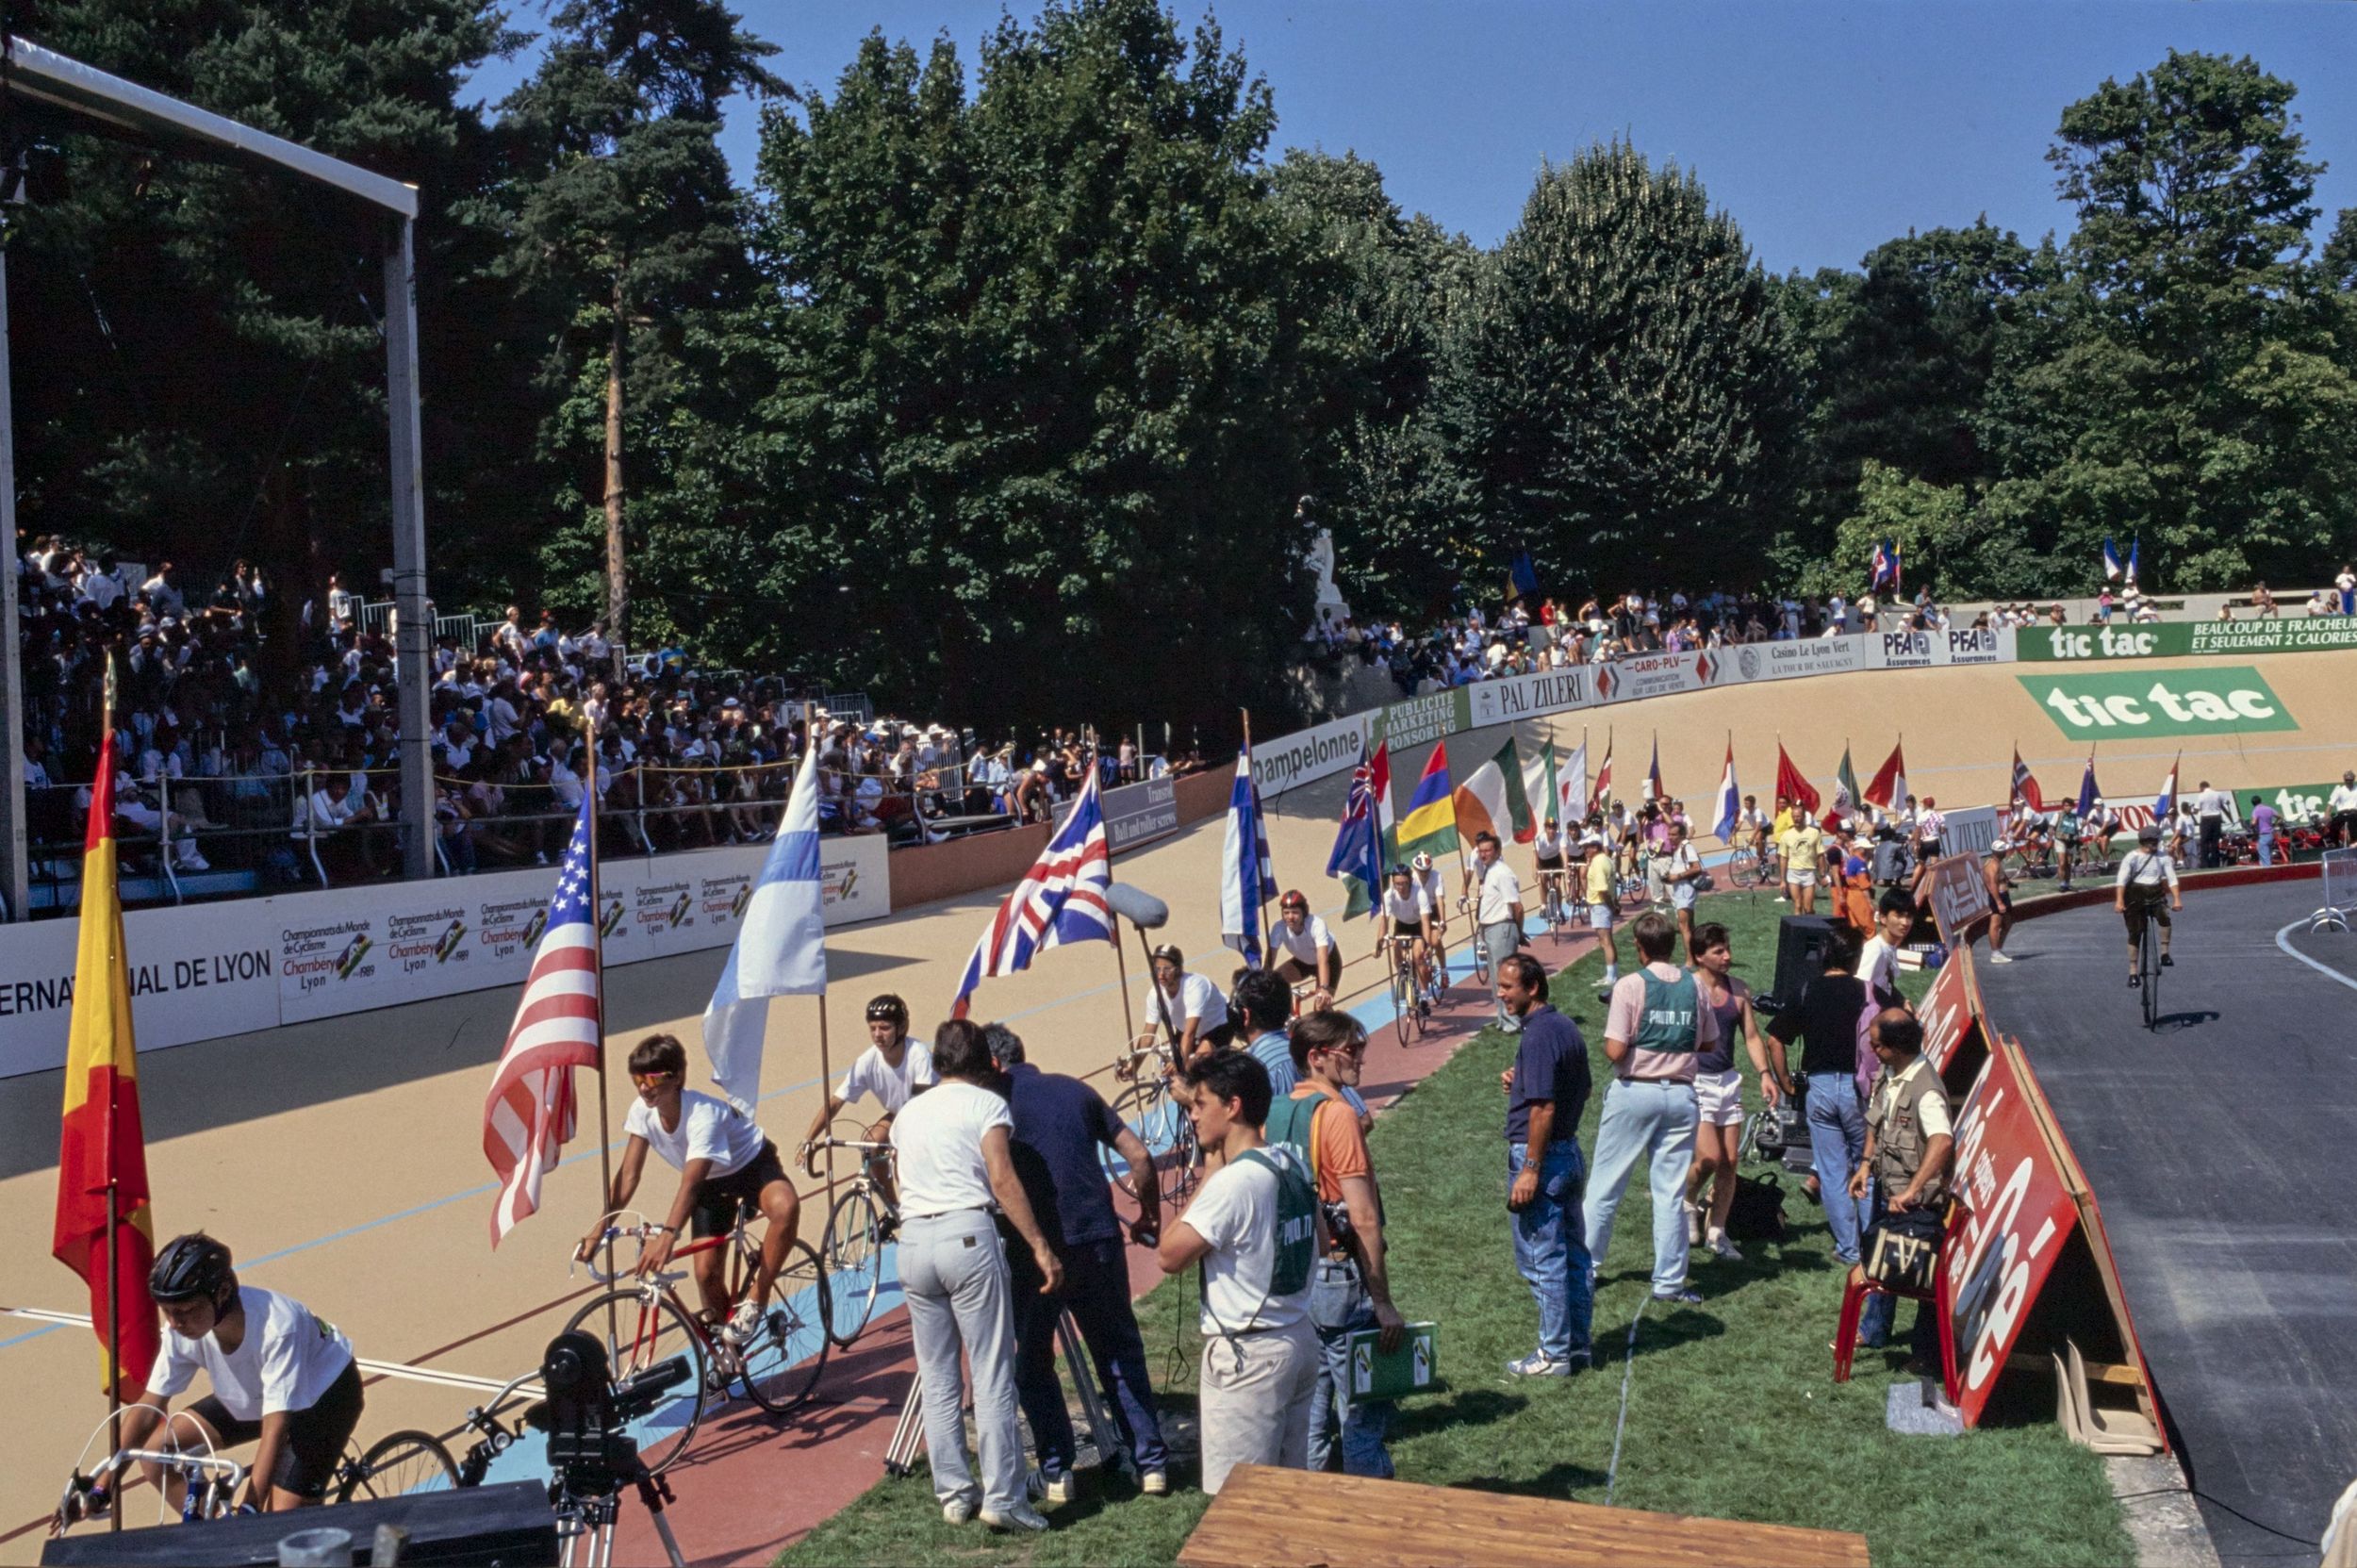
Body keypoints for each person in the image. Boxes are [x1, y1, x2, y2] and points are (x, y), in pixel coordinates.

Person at [981, 1024, 1170, 1502]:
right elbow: (1139, 1155)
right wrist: (1148, 1214)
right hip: (1098, 1240)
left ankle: (1056, 1468)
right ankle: (1151, 1464)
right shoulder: (1075, 1089)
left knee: (1034, 1362)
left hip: (1036, 1252)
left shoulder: (992, 1108)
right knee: (1118, 1351)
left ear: (994, 1066)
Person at [892, 1019, 1062, 1531]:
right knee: (990, 1372)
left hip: (914, 1240)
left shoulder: (908, 1112)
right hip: (967, 1232)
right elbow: (1001, 1177)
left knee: (939, 1373)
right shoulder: (987, 1105)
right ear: (985, 1062)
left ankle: (953, 1492)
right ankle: (1003, 1497)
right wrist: (1038, 1245)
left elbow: (897, 1176)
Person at [1157, 1050, 1322, 1494]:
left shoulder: (1233, 1183)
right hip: (1297, 1338)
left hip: (1249, 1355)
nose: (1192, 1115)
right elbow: (1320, 1242)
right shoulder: (1292, 1165)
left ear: (1233, 1107)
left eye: (1200, 1103)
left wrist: (1211, 1171)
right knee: (1289, 1495)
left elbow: (1169, 1255)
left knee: (1239, 1504)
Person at [119, 1234, 363, 1514]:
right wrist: (103, 1483)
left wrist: (251, 1504)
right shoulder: (182, 1328)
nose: (175, 1324)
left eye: (185, 1311)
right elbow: (150, 1407)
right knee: (155, 1455)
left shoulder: (279, 1327)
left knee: (280, 1525)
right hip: (259, 1392)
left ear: (221, 1294)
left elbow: (275, 1427)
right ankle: (217, 1536)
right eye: (167, 1312)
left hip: (323, 1399)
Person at [583, 1034, 802, 1338]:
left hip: (750, 1165)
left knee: (786, 1206)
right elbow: (629, 1176)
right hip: (712, 1183)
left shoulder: (703, 1116)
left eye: (651, 1078)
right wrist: (598, 1231)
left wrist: (669, 1235)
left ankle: (756, 1298)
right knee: (705, 1274)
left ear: (677, 1078)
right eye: (637, 1078)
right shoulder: (641, 1111)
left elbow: (690, 1182)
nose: (644, 1087)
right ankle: (729, 1350)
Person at [1266, 1010, 1406, 1476]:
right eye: (1352, 1050)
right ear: (1317, 1056)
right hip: (1344, 1278)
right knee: (1362, 1414)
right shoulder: (1340, 1114)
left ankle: (1314, 1508)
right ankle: (1372, 1511)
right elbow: (1363, 1217)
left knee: (1311, 1413)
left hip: (1299, 1276)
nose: (1361, 1059)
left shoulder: (1279, 1111)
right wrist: (1383, 1301)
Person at [1583, 913, 1714, 1305]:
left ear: (1639, 948)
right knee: (1670, 1194)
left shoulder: (1629, 985)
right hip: (1681, 1095)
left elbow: (1615, 1049)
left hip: (1635, 1092)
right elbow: (1708, 1044)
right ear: (1675, 946)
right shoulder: (1697, 986)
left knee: (1605, 1186)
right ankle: (1670, 1282)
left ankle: (1585, 1268)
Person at [1495, 952, 1593, 1374]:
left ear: (1532, 987)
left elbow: (1542, 1110)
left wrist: (1530, 1168)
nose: (1501, 995)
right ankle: (1577, 1346)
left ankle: (1553, 1354)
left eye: (1507, 987)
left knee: (1542, 1259)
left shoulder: (1536, 1036)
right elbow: (1580, 1088)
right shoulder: (1564, 1026)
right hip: (1569, 1153)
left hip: (1543, 1160)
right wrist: (1523, 1080)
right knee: (1574, 1257)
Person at [1850, 1009, 1954, 1368]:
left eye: (1877, 1046)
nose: (1872, 1051)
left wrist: (1912, 1191)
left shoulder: (1926, 1091)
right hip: (1887, 1188)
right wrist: (1865, 1165)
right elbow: (1875, 1123)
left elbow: (1942, 1141)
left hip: (1917, 1203)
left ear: (1897, 1047)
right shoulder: (1890, 1074)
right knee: (1882, 1260)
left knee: (1923, 1279)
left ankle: (1927, 1355)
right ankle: (1876, 1329)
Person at [1765, 934, 1871, 1266]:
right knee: (1866, 1167)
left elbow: (1775, 1040)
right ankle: (1872, 1247)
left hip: (1820, 1087)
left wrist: (1784, 1081)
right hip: (1858, 1088)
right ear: (1854, 960)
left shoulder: (1807, 991)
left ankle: (1849, 1250)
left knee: (1832, 1172)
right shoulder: (1868, 991)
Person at [1685, 923, 1773, 1262]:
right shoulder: (1688, 989)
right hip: (1695, 1081)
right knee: (1708, 1157)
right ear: (1699, 956)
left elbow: (1751, 1036)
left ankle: (1717, 1232)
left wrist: (1764, 1074)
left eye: (1727, 949)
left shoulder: (1738, 991)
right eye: (1718, 951)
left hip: (1727, 1081)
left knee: (1730, 1162)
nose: (1727, 956)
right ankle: (1688, 1202)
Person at [799, 994, 933, 1213]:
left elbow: (921, 1107)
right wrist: (809, 1138)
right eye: (872, 1028)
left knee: (903, 1164)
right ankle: (894, 1209)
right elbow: (835, 1103)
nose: (877, 1035)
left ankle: (918, 1208)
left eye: (884, 1028)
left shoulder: (918, 1055)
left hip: (926, 1114)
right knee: (871, 1143)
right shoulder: (867, 1061)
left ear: (901, 1028)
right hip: (899, 1115)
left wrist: (902, 1144)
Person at [1468, 832, 1525, 1031]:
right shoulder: (1489, 871)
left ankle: (1513, 1021)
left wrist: (1518, 931)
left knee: (1507, 979)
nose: (1483, 855)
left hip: (1502, 928)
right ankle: (1503, 1018)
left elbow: (1517, 907)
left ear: (1497, 850)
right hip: (1490, 930)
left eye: (1487, 850)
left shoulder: (1502, 873)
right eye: (1480, 851)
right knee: (1495, 979)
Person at [1140, 944, 1234, 1063]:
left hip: (1218, 1026)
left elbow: (1190, 1032)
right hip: (1186, 1031)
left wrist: (1180, 1063)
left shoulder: (1195, 987)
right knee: (1169, 1068)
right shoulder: (1155, 994)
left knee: (1195, 1066)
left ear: (1178, 969)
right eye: (1157, 969)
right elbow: (1148, 1036)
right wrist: (1132, 1067)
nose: (1161, 975)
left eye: (1167, 969)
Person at [2115, 824, 2184, 984]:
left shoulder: (2163, 857)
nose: (2154, 843)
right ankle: (2133, 971)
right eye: (2151, 840)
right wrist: (2119, 901)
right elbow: (2122, 880)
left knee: (2165, 917)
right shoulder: (2132, 857)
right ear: (2143, 841)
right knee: (2135, 932)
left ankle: (2165, 953)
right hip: (2135, 895)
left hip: (2156, 893)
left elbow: (2172, 879)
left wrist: (2177, 899)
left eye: (2155, 840)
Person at [1376, 864, 1438, 1011]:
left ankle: (1423, 996)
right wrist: (1379, 944)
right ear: (1393, 882)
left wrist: (1427, 945)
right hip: (1402, 925)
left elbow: (1425, 921)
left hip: (1417, 925)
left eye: (1404, 883)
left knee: (1418, 956)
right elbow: (1384, 921)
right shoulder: (1389, 896)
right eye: (1397, 884)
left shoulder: (1419, 893)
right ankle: (1404, 978)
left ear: (1410, 881)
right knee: (1397, 957)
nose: (1401, 888)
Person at [1268, 890, 1342, 1010]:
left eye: (1295, 913)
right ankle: (1290, 1017)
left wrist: (1323, 988)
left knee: (1320, 1008)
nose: (1290, 917)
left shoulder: (1317, 925)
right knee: (1274, 982)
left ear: (1304, 913)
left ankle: (1334, 1024)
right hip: (1303, 963)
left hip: (1328, 963)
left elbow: (1323, 960)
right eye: (1286, 913)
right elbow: (1269, 962)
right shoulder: (1279, 928)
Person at [1856, 890, 1916, 1008]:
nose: (1905, 922)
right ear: (1883, 918)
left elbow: (1886, 985)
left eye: (1909, 916)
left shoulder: (1889, 946)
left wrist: (1902, 1001)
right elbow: (1859, 989)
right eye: (1898, 916)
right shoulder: (1875, 950)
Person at [1657, 821, 1704, 958]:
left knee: (1683, 926)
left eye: (1674, 835)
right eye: (1669, 834)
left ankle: (1690, 960)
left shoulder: (1687, 847)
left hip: (1685, 889)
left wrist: (1677, 876)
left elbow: (1696, 867)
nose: (1670, 837)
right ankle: (1698, 955)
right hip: (1680, 889)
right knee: (1690, 925)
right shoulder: (1678, 848)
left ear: (1682, 835)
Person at [1582, 833, 1622, 991]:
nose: (1585, 850)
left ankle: (1611, 977)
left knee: (1605, 941)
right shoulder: (1605, 860)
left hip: (1600, 905)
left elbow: (1602, 890)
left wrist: (1611, 907)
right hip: (1602, 905)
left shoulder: (1598, 864)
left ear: (1595, 847)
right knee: (1608, 941)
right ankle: (1612, 973)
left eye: (1587, 847)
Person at [1780, 809, 1825, 916]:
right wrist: (1782, 880)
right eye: (1794, 817)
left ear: (1804, 817)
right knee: (1798, 905)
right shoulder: (1786, 835)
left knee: (1808, 908)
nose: (1796, 819)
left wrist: (1823, 874)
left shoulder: (1814, 833)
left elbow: (1820, 854)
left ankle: (1813, 923)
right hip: (1793, 873)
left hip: (1808, 872)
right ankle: (1798, 931)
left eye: (1799, 816)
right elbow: (1783, 858)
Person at [1980, 841, 2016, 964]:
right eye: (2004, 850)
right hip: (1998, 896)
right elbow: (1992, 885)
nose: (2006, 852)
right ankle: (1995, 953)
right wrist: (1999, 902)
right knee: (1995, 924)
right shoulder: (1992, 866)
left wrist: (2009, 883)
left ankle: (1998, 950)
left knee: (2008, 923)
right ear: (1999, 852)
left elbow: (2001, 879)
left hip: (2003, 895)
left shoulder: (1997, 863)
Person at [2194, 780, 2235, 869]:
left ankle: (2204, 864)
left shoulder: (2201, 796)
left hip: (2206, 819)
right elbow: (2227, 802)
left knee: (2204, 842)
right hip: (2216, 818)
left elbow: (2196, 810)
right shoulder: (2218, 794)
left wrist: (2193, 811)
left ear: (2202, 787)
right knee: (2215, 842)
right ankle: (2215, 863)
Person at [2331, 771, 2357, 849]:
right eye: (2347, 780)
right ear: (2344, 780)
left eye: (2350, 780)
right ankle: (2335, 844)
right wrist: (2326, 815)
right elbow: (2331, 804)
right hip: (2342, 813)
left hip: (2354, 813)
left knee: (2353, 820)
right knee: (2333, 825)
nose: (2349, 781)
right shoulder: (2339, 790)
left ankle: (2354, 841)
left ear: (2353, 779)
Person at [2251, 794, 2278, 867]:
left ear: (2253, 803)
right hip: (2270, 835)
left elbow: (2253, 822)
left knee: (2265, 858)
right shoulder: (2268, 808)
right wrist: (2274, 824)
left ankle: (2267, 872)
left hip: (2263, 835)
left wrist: (2252, 827)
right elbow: (2280, 817)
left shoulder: (2256, 810)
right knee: (2267, 855)